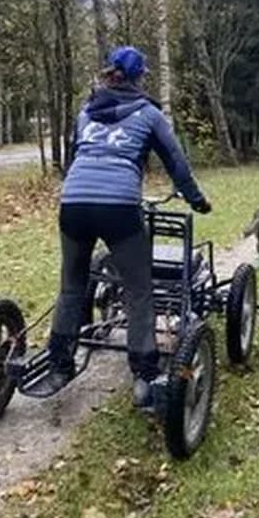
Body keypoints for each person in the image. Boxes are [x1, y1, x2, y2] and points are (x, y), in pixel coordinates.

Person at [38, 45, 211, 407]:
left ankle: (59, 363)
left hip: (73, 202)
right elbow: (176, 162)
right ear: (138, 77)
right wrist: (196, 199)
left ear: (108, 74)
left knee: (71, 286)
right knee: (138, 290)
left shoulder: (85, 112)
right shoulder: (148, 114)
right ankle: (145, 374)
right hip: (118, 207)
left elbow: (74, 157)